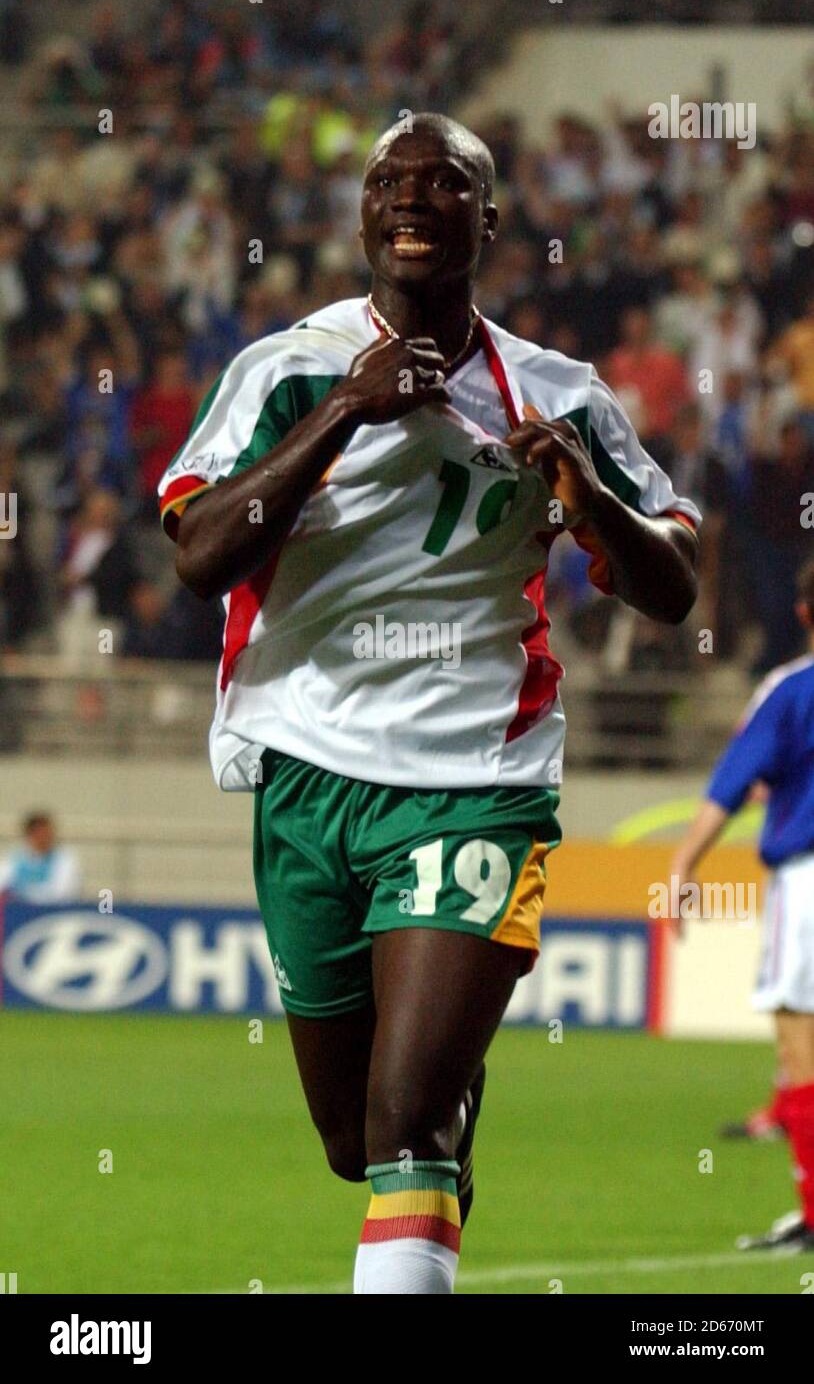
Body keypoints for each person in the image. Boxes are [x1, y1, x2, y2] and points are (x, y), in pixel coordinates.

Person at [158, 113, 700, 1295]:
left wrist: (589, 500)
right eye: (386, 182)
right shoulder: (285, 368)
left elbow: (672, 584)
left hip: (474, 781)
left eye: (442, 183)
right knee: (356, 1140)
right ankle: (445, 1108)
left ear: (488, 220)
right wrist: (344, 410)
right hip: (304, 776)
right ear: (361, 217)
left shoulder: (558, 392)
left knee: (409, 1118)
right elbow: (199, 554)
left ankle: (438, 1108)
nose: (410, 197)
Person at [671, 558, 814, 1252]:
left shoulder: (791, 689)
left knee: (798, 1037)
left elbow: (732, 783)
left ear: (805, 613)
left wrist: (682, 863)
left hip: (807, 880)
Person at [0, 812, 81, 903]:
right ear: (29, 835)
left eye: (47, 834)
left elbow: (64, 892)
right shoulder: (15, 857)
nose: (44, 838)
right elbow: (3, 884)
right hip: (20, 909)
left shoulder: (65, 858)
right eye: (40, 834)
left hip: (53, 911)